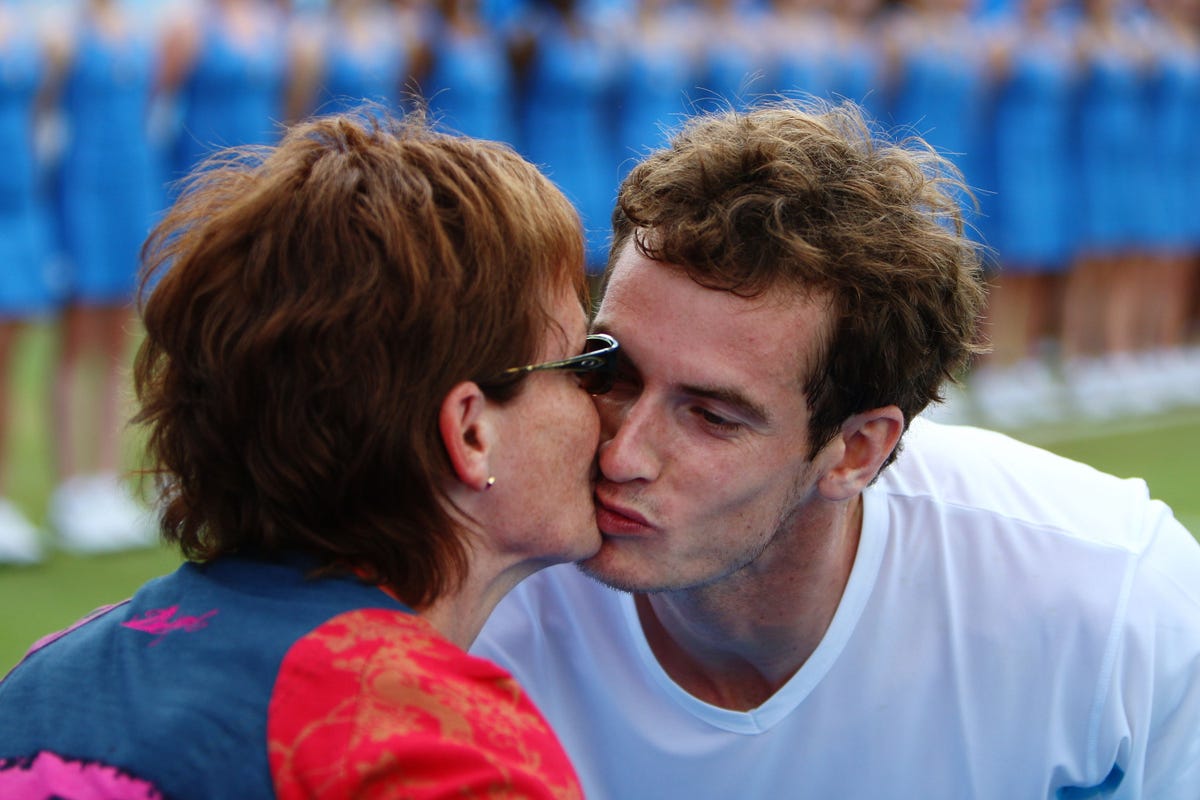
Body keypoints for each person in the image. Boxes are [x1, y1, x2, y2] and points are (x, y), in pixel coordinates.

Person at [472, 99, 1200, 799]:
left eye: (712, 416)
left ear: (857, 451)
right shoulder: (474, 585)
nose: (619, 453)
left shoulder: (1113, 600)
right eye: (610, 368)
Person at [0, 110, 615, 799]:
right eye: (584, 362)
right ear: (471, 432)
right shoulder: (430, 747)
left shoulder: (44, 678)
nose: (611, 405)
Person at [44, 0, 166, 554]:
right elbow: (43, 117)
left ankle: (106, 480)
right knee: (76, 343)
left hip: (130, 186)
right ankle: (69, 486)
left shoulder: (141, 34)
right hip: (82, 189)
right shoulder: (64, 36)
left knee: (120, 340)